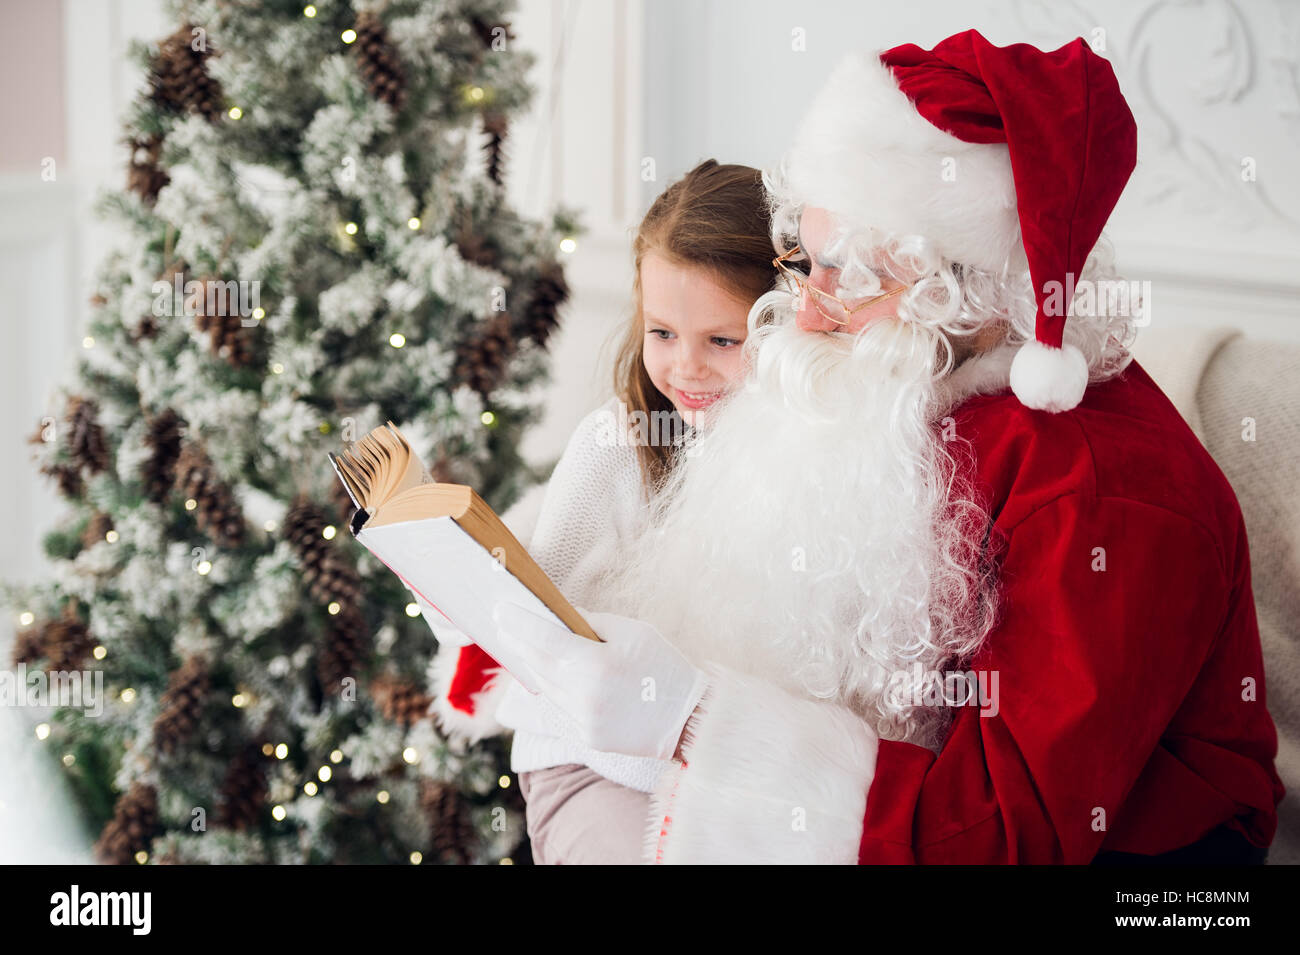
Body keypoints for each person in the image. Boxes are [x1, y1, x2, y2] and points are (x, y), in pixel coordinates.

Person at [482, 30, 1285, 863]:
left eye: (856, 277)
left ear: (973, 292)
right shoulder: (892, 391)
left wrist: (694, 721)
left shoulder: (1101, 492)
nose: (804, 313)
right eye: (806, 264)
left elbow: (1007, 836)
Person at [412, 159, 778, 863]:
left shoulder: (801, 458)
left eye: (722, 341)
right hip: (589, 759)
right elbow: (539, 598)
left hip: (721, 774)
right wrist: (453, 585)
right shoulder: (616, 444)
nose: (686, 368)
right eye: (663, 333)